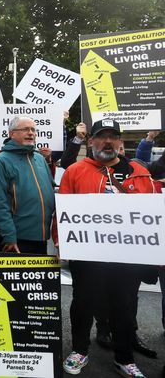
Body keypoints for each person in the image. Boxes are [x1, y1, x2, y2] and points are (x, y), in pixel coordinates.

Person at [60, 119, 157, 378]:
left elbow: (152, 216)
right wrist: (63, 245)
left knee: (124, 307)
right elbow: (64, 213)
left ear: (120, 142)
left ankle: (124, 358)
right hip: (88, 257)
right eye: (101, 137)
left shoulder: (139, 172)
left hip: (127, 259)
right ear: (91, 142)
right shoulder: (75, 171)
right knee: (83, 304)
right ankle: (80, 350)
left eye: (113, 137)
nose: (107, 141)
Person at [0, 116, 55, 254]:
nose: (31, 133)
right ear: (12, 133)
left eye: (33, 130)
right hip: (15, 241)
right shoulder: (0, 161)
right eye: (25, 129)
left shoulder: (40, 159)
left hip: (41, 238)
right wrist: (9, 236)